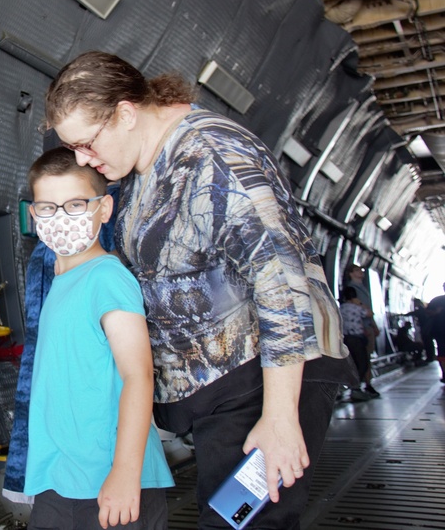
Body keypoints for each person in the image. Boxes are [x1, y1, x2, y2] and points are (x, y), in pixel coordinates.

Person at [44, 52, 354, 530]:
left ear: (126, 113)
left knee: (244, 524)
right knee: (231, 520)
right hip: (229, 390)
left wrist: (278, 417)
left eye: (86, 144)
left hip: (264, 380)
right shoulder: (147, 166)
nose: (84, 159)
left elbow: (281, 277)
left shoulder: (214, 154)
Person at [20, 147, 173, 530]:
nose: (60, 218)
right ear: (33, 214)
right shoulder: (58, 282)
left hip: (110, 482)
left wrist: (124, 472)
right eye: (47, 208)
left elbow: (138, 374)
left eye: (74, 204)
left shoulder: (106, 277)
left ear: (103, 209)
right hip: (59, 482)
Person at [343, 264, 380, 396]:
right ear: (351, 273)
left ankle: (366, 383)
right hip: (361, 329)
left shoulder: (362, 288)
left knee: (366, 357)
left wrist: (373, 325)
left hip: (366, 326)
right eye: (357, 270)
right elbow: (362, 310)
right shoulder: (352, 288)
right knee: (363, 358)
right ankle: (363, 384)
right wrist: (366, 326)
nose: (361, 272)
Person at [339, 287, 375, 401]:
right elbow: (369, 313)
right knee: (362, 364)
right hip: (357, 339)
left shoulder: (341, 308)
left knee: (352, 363)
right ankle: (355, 388)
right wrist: (360, 303)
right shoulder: (356, 307)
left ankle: (349, 387)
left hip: (346, 338)